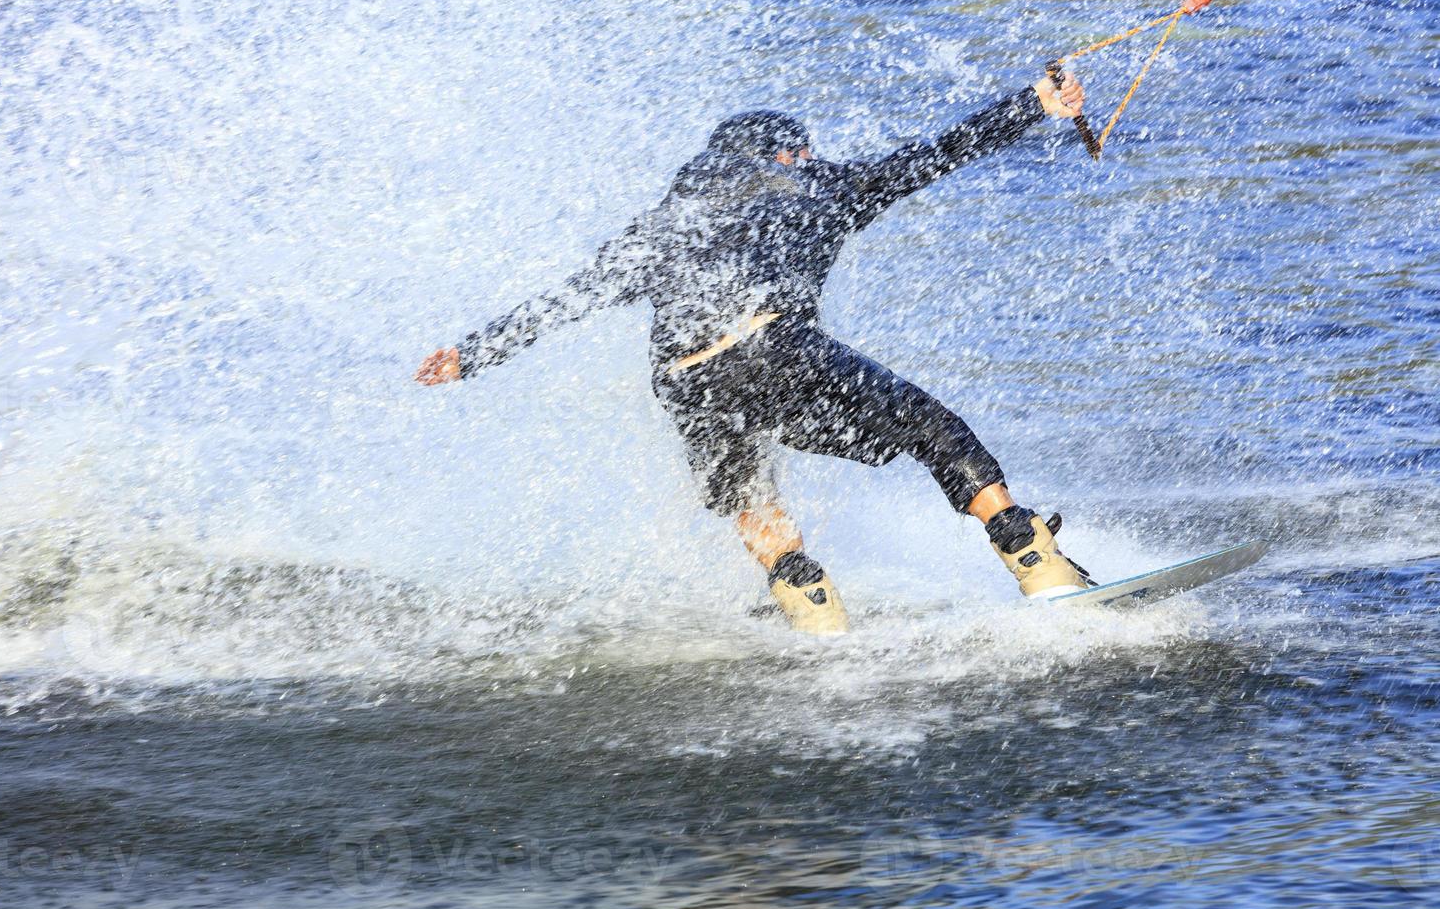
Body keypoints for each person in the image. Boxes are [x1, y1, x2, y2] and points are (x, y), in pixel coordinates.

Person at [417, 70, 1094, 634]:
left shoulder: (664, 221)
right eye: (801, 153)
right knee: (929, 427)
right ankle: (1032, 557)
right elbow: (935, 154)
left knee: (748, 486)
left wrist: (473, 354)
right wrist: (1032, 103)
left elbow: (577, 295)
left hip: (686, 379)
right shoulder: (820, 185)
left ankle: (811, 604)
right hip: (771, 344)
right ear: (788, 155)